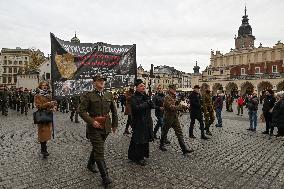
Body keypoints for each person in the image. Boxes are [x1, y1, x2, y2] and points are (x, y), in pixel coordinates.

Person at [78, 74, 118, 187]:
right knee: (100, 150)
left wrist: (114, 124)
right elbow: (81, 111)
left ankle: (90, 164)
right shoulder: (88, 95)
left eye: (103, 80)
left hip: (106, 126)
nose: (102, 82)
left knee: (97, 147)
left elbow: (114, 111)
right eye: (99, 80)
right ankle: (105, 177)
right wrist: (91, 121)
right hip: (94, 127)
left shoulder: (108, 94)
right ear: (94, 82)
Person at [159, 84, 193, 154]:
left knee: (179, 132)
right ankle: (161, 144)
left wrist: (185, 106)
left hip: (174, 117)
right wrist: (180, 107)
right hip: (168, 117)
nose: (175, 90)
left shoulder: (173, 96)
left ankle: (184, 148)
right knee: (164, 131)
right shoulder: (167, 97)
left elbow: (176, 104)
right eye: (174, 89)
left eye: (175, 89)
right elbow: (170, 107)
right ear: (170, 89)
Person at [128, 79, 154, 166]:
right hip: (138, 122)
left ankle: (137, 156)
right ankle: (138, 158)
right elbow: (136, 108)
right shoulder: (133, 97)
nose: (143, 87)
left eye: (144, 86)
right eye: (141, 86)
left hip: (146, 121)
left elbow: (151, 106)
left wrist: (150, 103)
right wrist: (146, 104)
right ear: (136, 88)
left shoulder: (146, 96)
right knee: (139, 140)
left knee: (144, 139)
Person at [34, 81, 57, 158]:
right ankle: (44, 149)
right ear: (40, 86)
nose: (44, 86)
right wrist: (48, 104)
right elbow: (39, 106)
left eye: (46, 85)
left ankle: (44, 148)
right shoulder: (37, 96)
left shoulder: (49, 95)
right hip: (41, 116)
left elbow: (53, 104)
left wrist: (54, 106)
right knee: (42, 133)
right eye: (43, 85)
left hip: (48, 115)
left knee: (47, 133)